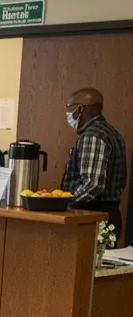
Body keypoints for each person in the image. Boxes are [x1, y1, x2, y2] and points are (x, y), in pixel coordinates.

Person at [62, 87, 128, 233]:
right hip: (107, 215)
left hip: (91, 217)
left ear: (80, 109)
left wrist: (65, 205)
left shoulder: (93, 136)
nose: (67, 114)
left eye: (69, 108)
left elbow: (93, 185)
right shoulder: (111, 132)